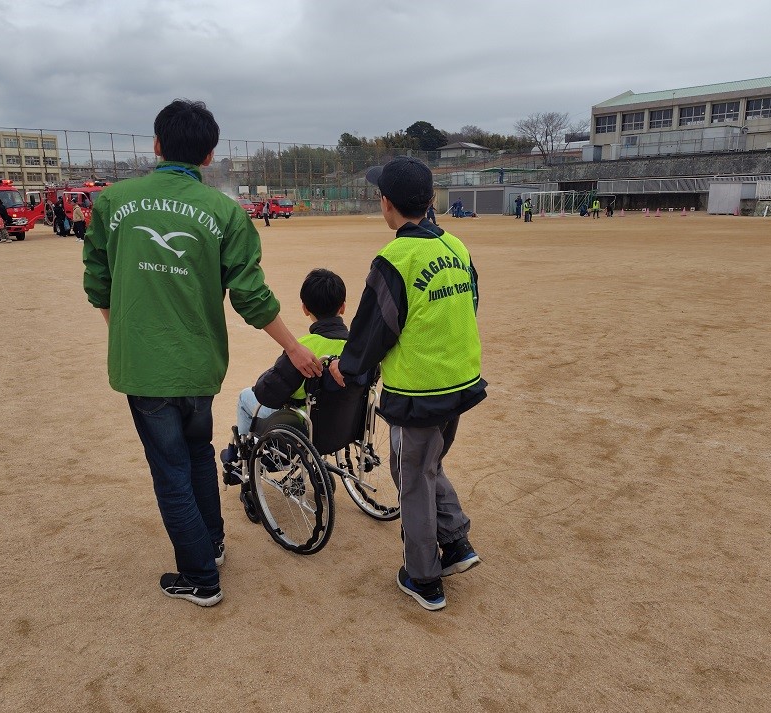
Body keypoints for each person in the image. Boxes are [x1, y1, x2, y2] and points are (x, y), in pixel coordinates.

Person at [82, 99, 321, 609]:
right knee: (195, 455)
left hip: (145, 369)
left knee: (170, 469)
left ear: (156, 144)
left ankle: (200, 577)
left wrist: (126, 333)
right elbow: (251, 296)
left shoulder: (112, 202)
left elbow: (96, 282)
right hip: (198, 365)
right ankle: (210, 543)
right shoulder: (225, 213)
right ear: (209, 155)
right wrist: (295, 346)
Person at [329, 156, 486, 611]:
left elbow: (372, 327)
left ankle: (423, 577)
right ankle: (455, 542)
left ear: (386, 204)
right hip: (459, 381)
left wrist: (350, 368)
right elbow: (467, 303)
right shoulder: (455, 246)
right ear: (431, 200)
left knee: (411, 477)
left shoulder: (395, 258)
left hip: (420, 391)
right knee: (425, 466)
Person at [221, 268, 348, 481]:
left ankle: (241, 459)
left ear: (305, 308)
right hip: (342, 424)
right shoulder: (355, 348)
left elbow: (267, 393)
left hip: (301, 425)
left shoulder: (303, 348)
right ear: (343, 307)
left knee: (246, 396)